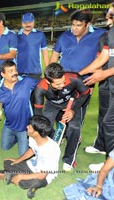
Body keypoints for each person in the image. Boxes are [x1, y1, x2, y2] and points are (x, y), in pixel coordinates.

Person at [33, 63, 90, 171]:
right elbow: (38, 113)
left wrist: (73, 109)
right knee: (44, 127)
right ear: (48, 82)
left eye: (63, 81)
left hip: (73, 103)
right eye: (58, 84)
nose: (62, 85)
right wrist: (40, 129)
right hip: (52, 104)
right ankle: (54, 141)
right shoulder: (40, 88)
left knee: (74, 129)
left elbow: (85, 93)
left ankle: (69, 159)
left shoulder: (74, 78)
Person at [0, 115, 60, 199]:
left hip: (44, 175)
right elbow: (32, 150)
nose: (26, 127)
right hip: (31, 166)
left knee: (33, 182)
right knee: (8, 162)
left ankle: (8, 175)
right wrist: (18, 160)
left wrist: (21, 176)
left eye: (29, 127)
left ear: (36, 133)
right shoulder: (33, 137)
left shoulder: (52, 150)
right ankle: (12, 176)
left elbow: (42, 175)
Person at [79, 5, 114, 170]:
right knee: (106, 120)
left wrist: (104, 74)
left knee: (109, 123)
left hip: (109, 79)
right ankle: (106, 153)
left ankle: (110, 163)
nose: (107, 17)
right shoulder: (110, 33)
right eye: (108, 13)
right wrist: (79, 73)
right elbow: (103, 58)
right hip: (110, 84)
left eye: (111, 14)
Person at [0, 60, 38, 156]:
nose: (15, 73)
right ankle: (18, 139)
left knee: (23, 154)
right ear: (3, 74)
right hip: (9, 125)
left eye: (15, 70)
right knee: (4, 147)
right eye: (10, 71)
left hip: (24, 127)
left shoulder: (27, 81)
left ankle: (26, 138)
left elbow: (43, 84)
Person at [17, 12, 49, 80]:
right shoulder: (16, 36)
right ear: (22, 23)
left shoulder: (40, 34)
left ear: (34, 22)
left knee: (35, 91)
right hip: (19, 71)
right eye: (25, 23)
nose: (28, 24)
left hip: (35, 71)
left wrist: (47, 71)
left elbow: (45, 53)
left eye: (30, 22)